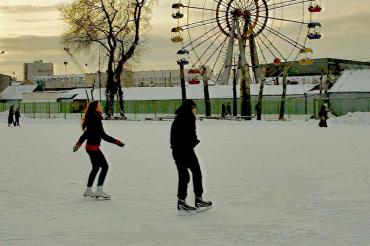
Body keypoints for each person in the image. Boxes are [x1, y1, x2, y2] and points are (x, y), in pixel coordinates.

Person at [73, 101, 124, 199]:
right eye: (99, 105)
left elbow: (92, 134)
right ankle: (99, 190)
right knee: (105, 166)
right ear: (95, 108)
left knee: (96, 167)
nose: (101, 106)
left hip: (90, 147)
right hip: (93, 148)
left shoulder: (94, 117)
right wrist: (116, 142)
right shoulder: (95, 119)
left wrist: (78, 144)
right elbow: (98, 135)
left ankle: (88, 190)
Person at [170, 99, 212, 213]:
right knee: (194, 174)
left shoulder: (179, 117)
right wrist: (194, 142)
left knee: (186, 175)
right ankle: (195, 200)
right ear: (190, 108)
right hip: (184, 150)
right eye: (194, 108)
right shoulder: (188, 117)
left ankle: (182, 201)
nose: (195, 111)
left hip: (178, 150)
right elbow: (190, 134)